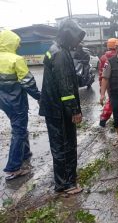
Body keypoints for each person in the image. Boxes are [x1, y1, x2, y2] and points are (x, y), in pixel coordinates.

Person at [39, 19, 85, 195]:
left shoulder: (56, 50)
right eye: (76, 37)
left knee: (59, 146)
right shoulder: (60, 54)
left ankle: (62, 182)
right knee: (66, 146)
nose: (78, 42)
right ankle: (67, 184)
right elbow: (65, 87)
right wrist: (74, 110)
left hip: (54, 108)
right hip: (60, 110)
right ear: (68, 35)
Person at [0, 30, 41, 181]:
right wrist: (39, 96)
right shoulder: (16, 59)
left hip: (3, 102)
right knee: (18, 130)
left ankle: (25, 153)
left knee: (19, 127)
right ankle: (13, 167)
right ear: (12, 43)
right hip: (16, 101)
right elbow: (27, 82)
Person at [98, 38, 118, 129]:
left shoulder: (103, 57)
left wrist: (101, 85)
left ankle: (104, 117)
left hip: (107, 84)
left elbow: (101, 72)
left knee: (112, 100)